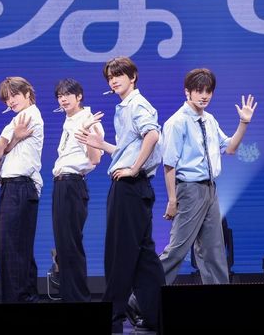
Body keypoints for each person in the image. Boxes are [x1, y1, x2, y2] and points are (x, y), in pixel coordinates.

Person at [75, 57, 165, 334]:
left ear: (132, 77)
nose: (113, 81)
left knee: (120, 253)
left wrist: (133, 169)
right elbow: (128, 148)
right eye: (110, 77)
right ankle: (157, 315)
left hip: (130, 186)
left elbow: (152, 135)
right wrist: (102, 144)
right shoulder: (126, 106)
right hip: (136, 187)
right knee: (144, 257)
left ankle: (113, 316)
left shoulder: (137, 104)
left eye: (119, 75)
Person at [160, 68, 257, 285]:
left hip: (210, 189)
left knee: (214, 251)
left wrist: (244, 123)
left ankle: (219, 299)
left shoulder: (210, 120)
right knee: (176, 250)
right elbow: (169, 164)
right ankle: (140, 298)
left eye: (208, 91)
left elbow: (230, 148)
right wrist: (172, 200)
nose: (204, 96)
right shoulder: (177, 122)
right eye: (199, 90)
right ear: (187, 92)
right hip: (189, 190)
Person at [51, 78, 104, 302]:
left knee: (71, 243)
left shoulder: (88, 121)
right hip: (61, 184)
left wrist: (88, 135)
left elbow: (95, 159)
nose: (63, 99)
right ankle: (69, 297)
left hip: (72, 184)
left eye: (67, 95)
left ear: (79, 96)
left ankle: (79, 300)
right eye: (59, 96)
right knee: (63, 245)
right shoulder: (69, 120)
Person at [0, 77, 44, 303]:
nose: (10, 101)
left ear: (27, 93)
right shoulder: (26, 116)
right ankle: (27, 297)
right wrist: (12, 142)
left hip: (18, 187)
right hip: (21, 187)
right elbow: (3, 148)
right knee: (20, 247)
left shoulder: (25, 117)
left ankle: (17, 301)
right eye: (7, 98)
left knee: (11, 247)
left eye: (14, 96)